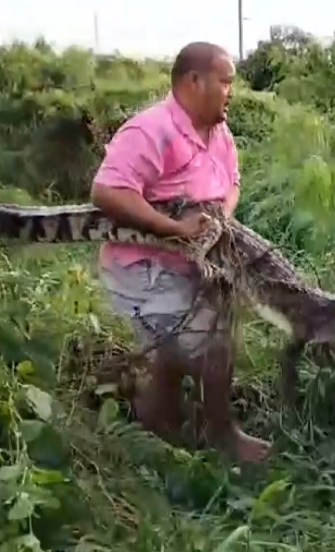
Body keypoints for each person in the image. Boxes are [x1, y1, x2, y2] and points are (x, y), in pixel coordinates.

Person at [90, 42, 270, 464]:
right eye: (225, 82)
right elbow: (106, 191)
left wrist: (221, 217)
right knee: (211, 349)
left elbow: (233, 184)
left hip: (196, 265)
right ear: (194, 82)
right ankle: (221, 435)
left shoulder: (219, 132)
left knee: (172, 360)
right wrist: (173, 228)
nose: (231, 91)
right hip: (144, 270)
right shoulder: (150, 131)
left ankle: (155, 430)